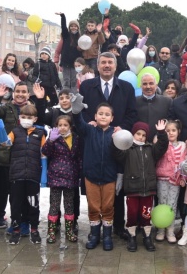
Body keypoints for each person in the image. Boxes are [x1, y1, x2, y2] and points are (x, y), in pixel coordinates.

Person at [79, 51, 137, 241]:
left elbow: (132, 113)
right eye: (103, 62)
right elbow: (81, 111)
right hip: (94, 143)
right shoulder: (87, 86)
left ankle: (117, 226)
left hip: (118, 145)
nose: (106, 66)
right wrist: (89, 123)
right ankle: (95, 228)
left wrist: (122, 128)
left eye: (110, 63)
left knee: (116, 187)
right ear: (97, 66)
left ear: (115, 66)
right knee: (95, 190)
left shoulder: (126, 87)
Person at [0, 103, 46, 245]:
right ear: (19, 118)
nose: (26, 119)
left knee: (33, 204)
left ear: (35, 119)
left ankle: (34, 229)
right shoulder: (15, 131)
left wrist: (44, 176)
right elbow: (6, 143)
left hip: (33, 175)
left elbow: (44, 154)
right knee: (16, 204)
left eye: (29, 117)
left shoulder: (40, 133)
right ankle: (16, 230)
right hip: (16, 175)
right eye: (23, 117)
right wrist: (0, 130)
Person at [114, 121, 168, 252]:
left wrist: (161, 133)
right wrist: (117, 138)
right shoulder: (127, 149)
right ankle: (132, 236)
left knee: (146, 214)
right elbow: (116, 152)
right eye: (138, 134)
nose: (141, 137)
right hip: (132, 188)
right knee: (132, 213)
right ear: (133, 134)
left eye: (144, 135)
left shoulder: (151, 149)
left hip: (148, 190)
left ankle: (147, 236)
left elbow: (162, 146)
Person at [72, 101, 119, 251]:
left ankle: (107, 236)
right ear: (95, 116)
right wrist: (76, 112)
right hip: (91, 176)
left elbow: (123, 151)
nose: (103, 116)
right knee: (93, 207)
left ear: (112, 118)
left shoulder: (115, 133)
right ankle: (94, 235)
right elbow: (79, 124)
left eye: (107, 114)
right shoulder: (89, 130)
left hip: (109, 177)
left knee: (108, 207)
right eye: (100, 114)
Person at [41, 115, 81, 244]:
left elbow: (78, 156)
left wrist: (80, 171)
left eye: (65, 125)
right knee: (54, 205)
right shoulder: (54, 138)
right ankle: (51, 231)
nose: (62, 128)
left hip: (71, 176)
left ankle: (69, 230)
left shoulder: (75, 138)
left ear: (70, 127)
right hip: (56, 176)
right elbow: (45, 151)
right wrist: (50, 141)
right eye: (60, 125)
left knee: (69, 205)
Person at [154, 119, 186, 243]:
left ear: (179, 131)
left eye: (173, 130)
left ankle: (170, 230)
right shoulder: (162, 144)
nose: (171, 133)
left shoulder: (183, 146)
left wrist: (183, 178)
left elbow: (185, 164)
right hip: (162, 179)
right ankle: (160, 230)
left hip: (175, 181)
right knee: (162, 204)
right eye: (167, 131)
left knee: (172, 205)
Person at [136, 73, 172, 142]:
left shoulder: (167, 102)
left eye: (151, 83)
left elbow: (170, 122)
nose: (148, 87)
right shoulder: (134, 102)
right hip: (139, 142)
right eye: (145, 84)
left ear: (156, 86)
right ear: (141, 86)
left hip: (160, 142)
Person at [56, 12, 82, 90]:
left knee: (74, 81)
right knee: (66, 81)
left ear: (78, 28)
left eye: (75, 26)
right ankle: (66, 95)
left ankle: (74, 95)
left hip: (76, 63)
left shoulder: (80, 38)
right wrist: (62, 16)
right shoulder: (66, 35)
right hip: (66, 62)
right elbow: (63, 27)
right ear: (69, 27)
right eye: (72, 26)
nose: (73, 28)